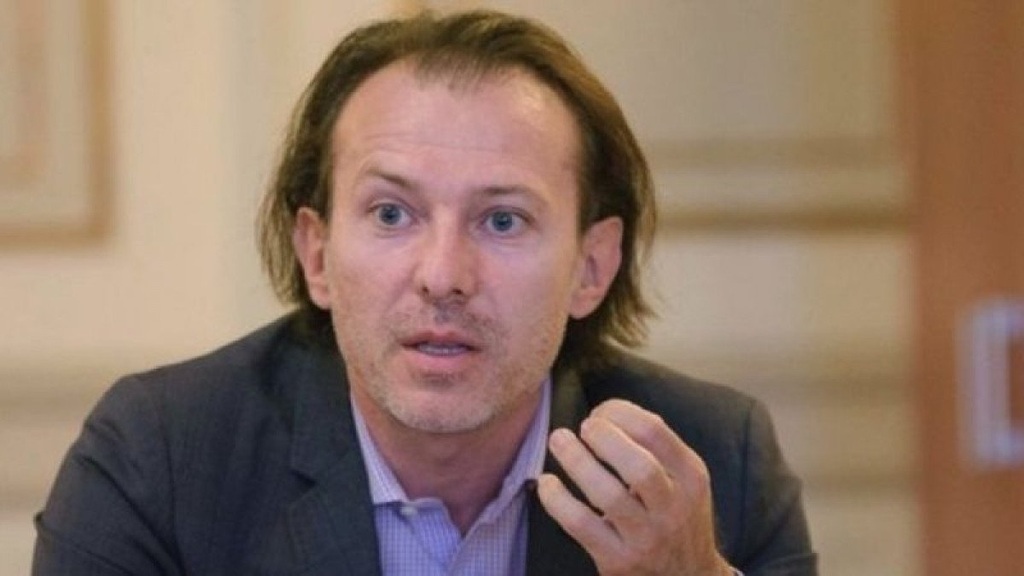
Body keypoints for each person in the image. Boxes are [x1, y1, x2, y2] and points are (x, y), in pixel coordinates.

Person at [33, 9, 816, 576]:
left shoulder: (710, 462)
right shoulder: (162, 458)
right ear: (317, 254)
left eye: (503, 220)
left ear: (591, 266)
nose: (443, 275)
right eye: (392, 214)